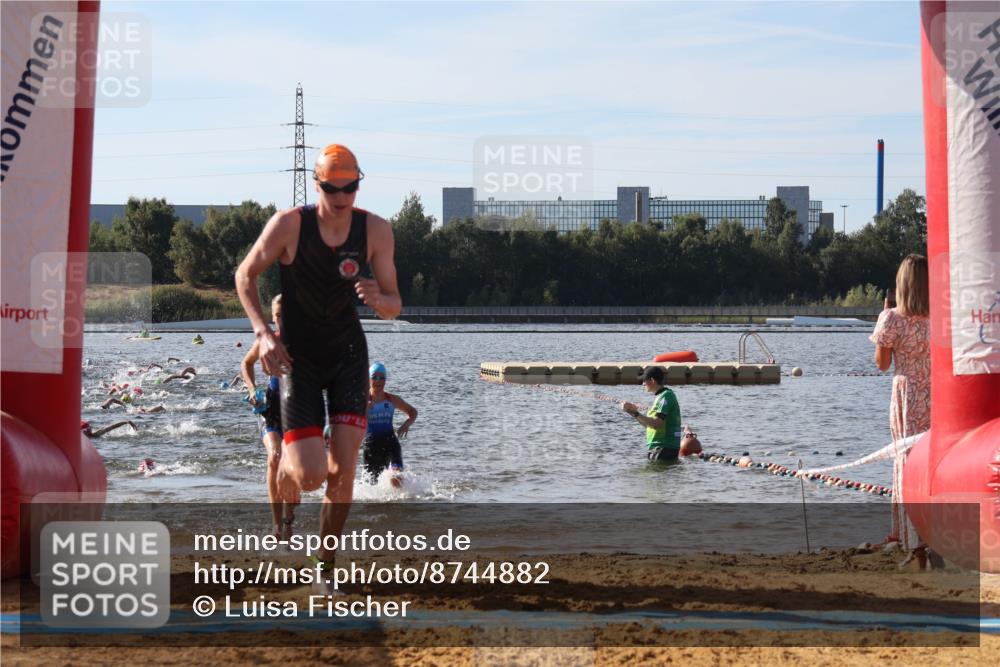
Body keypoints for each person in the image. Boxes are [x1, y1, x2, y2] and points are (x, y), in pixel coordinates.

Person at [235, 143, 401, 582]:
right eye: (333, 188)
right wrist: (263, 334)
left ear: (359, 184)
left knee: (343, 469)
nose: (342, 197)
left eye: (350, 188)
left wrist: (380, 300)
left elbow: (395, 304)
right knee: (311, 477)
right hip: (297, 360)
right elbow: (244, 275)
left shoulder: (376, 231)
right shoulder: (290, 225)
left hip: (348, 357)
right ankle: (293, 464)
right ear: (318, 184)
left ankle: (324, 565)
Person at [870, 253, 931, 562]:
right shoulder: (941, 316)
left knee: (906, 464)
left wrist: (883, 328)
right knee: (932, 463)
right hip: (936, 394)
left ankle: (911, 541)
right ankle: (935, 537)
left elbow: (882, 365)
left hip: (907, 395)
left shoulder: (892, 317)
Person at [240, 294, 298, 539]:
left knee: (292, 465)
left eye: (285, 314)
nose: (281, 319)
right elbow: (246, 363)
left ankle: (288, 520)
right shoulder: (268, 340)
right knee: (275, 456)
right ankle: (277, 524)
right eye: (276, 315)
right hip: (271, 406)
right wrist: (253, 389)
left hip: (297, 409)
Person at [361, 362, 417, 487]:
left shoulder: (392, 400)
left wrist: (407, 424)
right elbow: (350, 419)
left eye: (382, 377)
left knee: (396, 478)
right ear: (369, 379)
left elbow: (413, 411)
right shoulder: (362, 400)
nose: (378, 381)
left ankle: (398, 503)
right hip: (371, 448)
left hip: (391, 444)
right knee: (371, 487)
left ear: (385, 380)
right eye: (374, 377)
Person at [621, 366, 683, 463]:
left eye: (644, 381)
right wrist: (631, 412)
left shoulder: (666, 396)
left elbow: (656, 423)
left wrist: (636, 413)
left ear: (652, 380)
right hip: (658, 448)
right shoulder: (660, 397)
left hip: (664, 448)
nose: (643, 384)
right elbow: (648, 425)